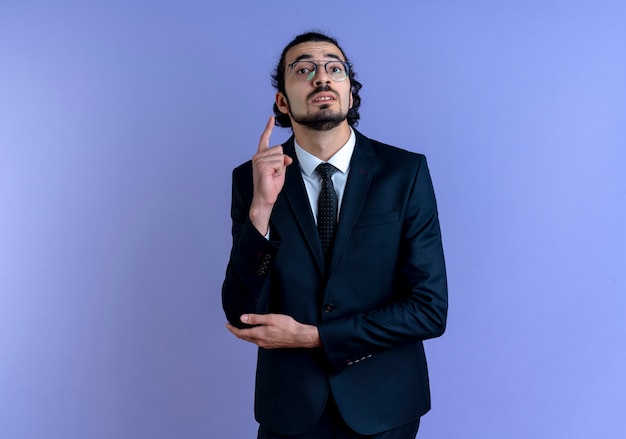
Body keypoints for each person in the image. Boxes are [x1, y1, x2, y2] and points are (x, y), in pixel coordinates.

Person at [222, 31, 448, 439]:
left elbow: (429, 309)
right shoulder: (251, 180)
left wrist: (315, 337)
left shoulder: (405, 173)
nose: (321, 77)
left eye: (334, 68)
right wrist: (261, 209)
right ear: (282, 102)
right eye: (303, 69)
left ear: (348, 93)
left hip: (385, 408)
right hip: (290, 410)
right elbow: (242, 312)